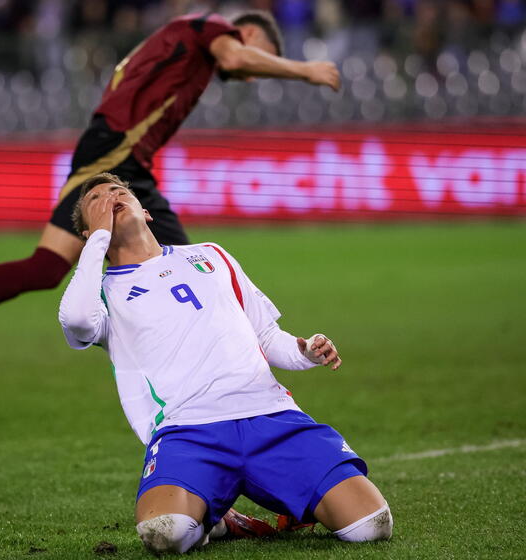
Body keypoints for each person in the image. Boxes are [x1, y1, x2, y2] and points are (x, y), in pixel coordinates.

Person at [0, 9, 340, 393]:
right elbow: (237, 55)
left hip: (121, 159)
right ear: (251, 32)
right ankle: (244, 396)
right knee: (193, 274)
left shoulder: (189, 45)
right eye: (264, 58)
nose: (251, 76)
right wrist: (306, 71)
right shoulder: (213, 27)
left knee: (48, 268)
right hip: (115, 154)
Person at [58, 172, 393, 554]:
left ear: (146, 211)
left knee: (372, 525)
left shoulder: (212, 255)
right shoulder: (102, 293)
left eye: (119, 191)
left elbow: (267, 337)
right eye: (96, 201)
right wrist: (99, 240)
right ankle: (218, 518)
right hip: (188, 431)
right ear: (88, 234)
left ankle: (285, 497)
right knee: (164, 533)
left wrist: (304, 351)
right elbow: (77, 321)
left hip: (271, 417)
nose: (111, 197)